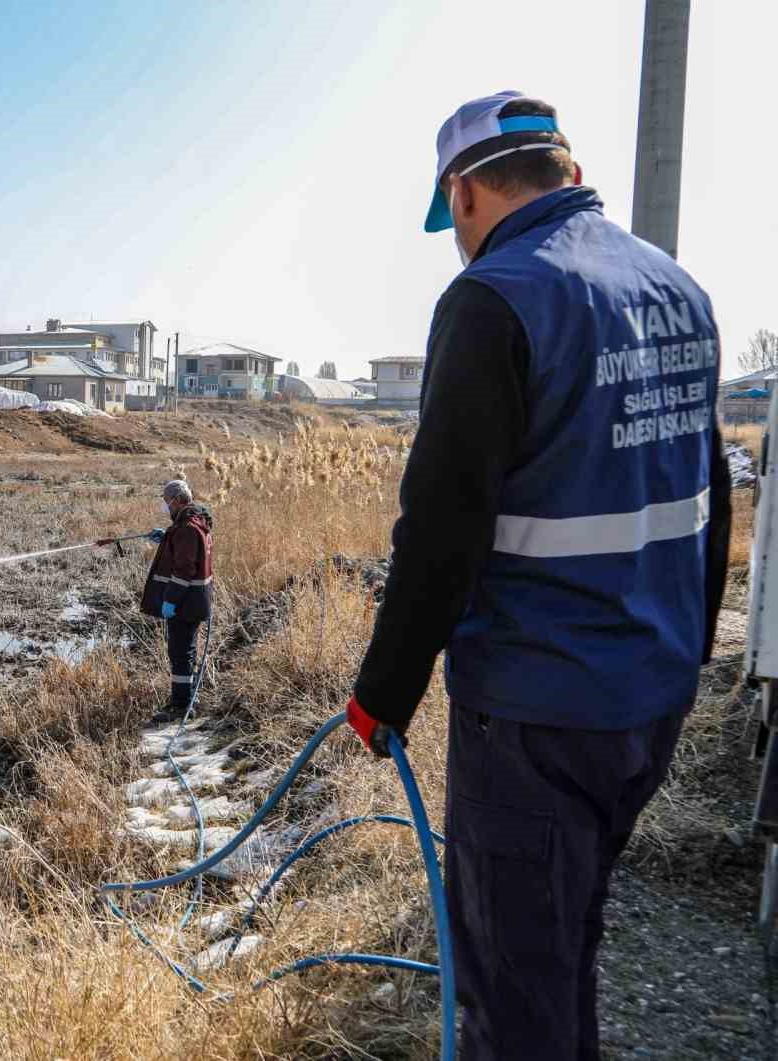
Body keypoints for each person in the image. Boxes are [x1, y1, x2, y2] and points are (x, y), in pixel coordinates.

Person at [343, 91, 732, 1059]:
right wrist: (682, 655)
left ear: (465, 192)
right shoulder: (677, 290)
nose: (457, 241)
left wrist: (381, 695)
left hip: (536, 721)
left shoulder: (494, 298)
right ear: (569, 165)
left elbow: (438, 532)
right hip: (647, 702)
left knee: (513, 998)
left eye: (452, 220)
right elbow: (709, 500)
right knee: (565, 948)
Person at [141, 479, 214, 723]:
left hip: (186, 603)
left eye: (166, 502)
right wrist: (168, 538)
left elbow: (184, 570)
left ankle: (181, 706)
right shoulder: (192, 523)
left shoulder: (187, 529)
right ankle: (186, 698)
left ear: (177, 501)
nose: (165, 507)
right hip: (193, 602)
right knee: (186, 651)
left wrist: (170, 600)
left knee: (180, 652)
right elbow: (186, 551)